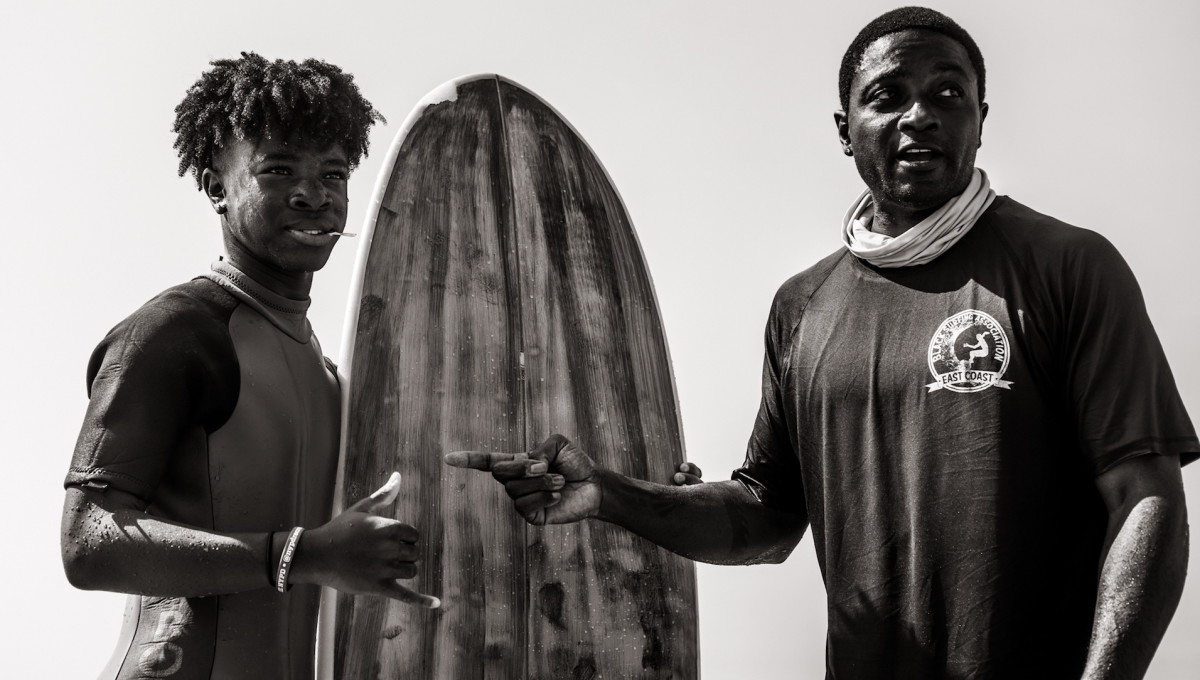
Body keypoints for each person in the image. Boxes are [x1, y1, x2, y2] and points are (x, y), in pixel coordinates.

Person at [446, 7, 1197, 679]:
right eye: (886, 96)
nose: (919, 116)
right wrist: (611, 494)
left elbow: (1145, 498)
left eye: (947, 94)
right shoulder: (803, 306)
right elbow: (765, 518)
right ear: (845, 128)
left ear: (980, 117)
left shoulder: (1066, 266)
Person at [59, 53, 438, 680]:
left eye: (334, 173)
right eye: (277, 169)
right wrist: (301, 554)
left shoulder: (329, 375)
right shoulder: (175, 332)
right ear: (216, 186)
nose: (313, 194)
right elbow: (87, 545)